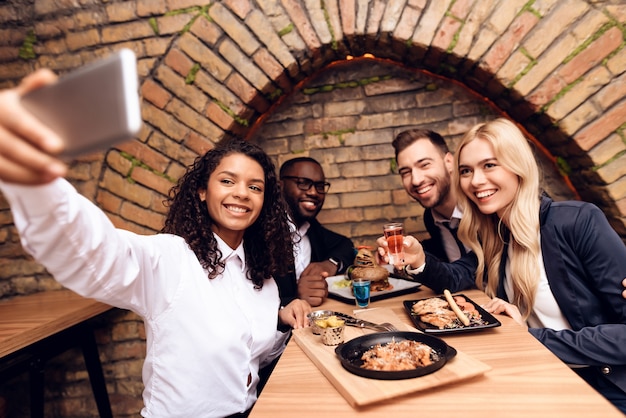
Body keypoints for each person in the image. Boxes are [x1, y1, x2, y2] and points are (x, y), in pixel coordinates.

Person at [0, 69, 311, 417]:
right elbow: (94, 252)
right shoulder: (171, 259)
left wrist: (281, 322)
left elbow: (250, 357)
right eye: (228, 181)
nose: (242, 193)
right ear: (202, 191)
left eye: (255, 187)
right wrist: (37, 184)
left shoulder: (260, 274)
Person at [380, 118, 626, 413]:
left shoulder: (577, 221)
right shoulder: (495, 235)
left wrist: (528, 336)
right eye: (467, 171)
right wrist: (419, 260)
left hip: (604, 389)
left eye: (490, 165)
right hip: (539, 375)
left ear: (518, 166)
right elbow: (457, 276)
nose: (476, 181)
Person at [275, 157, 355, 307]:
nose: (313, 192)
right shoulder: (264, 233)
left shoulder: (310, 227)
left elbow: (346, 245)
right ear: (280, 186)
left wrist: (331, 264)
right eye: (303, 183)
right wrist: (294, 299)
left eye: (320, 186)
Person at [392, 129, 467, 263]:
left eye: (425, 165)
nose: (416, 180)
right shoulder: (431, 218)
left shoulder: (482, 205)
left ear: (449, 162)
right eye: (406, 172)